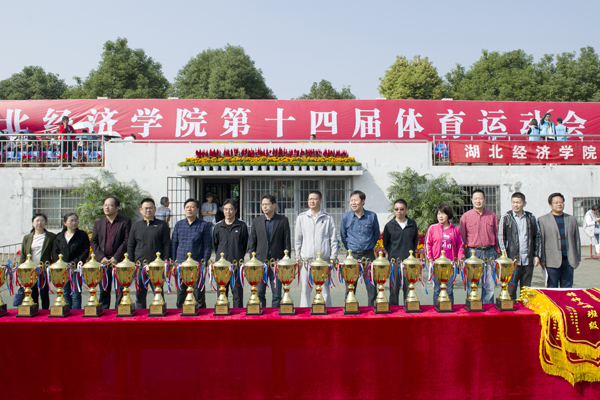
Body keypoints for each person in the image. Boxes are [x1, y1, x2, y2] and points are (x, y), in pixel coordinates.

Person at [295, 190, 338, 307]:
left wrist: (333, 256)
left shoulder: (328, 218)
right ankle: (305, 314)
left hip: (323, 260)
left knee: (325, 291)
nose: (312, 201)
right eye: (310, 199)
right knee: (305, 290)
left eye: (314, 199)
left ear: (320, 201)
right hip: (306, 260)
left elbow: (333, 239)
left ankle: (327, 313)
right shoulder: (302, 218)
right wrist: (298, 257)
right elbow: (298, 240)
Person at [127, 198, 171, 309]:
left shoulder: (162, 225)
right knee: (140, 295)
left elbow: (166, 244)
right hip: (140, 266)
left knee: (158, 294)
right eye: (146, 208)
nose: (148, 210)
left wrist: (166, 262)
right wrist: (131, 263)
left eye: (151, 208)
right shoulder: (136, 226)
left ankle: (160, 314)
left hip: (156, 267)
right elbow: (131, 245)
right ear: (141, 210)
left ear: (155, 209)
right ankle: (140, 316)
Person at [248, 194, 291, 308]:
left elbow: (287, 243)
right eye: (263, 204)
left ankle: (275, 315)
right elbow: (252, 243)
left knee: (277, 294)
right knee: (259, 292)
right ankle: (262, 314)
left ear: (274, 205)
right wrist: (253, 261)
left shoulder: (282, 220)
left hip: (277, 261)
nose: (265, 207)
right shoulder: (256, 221)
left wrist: (287, 262)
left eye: (267, 204)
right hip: (260, 262)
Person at [340, 190, 380, 307]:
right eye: (351, 200)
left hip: (368, 255)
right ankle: (350, 307)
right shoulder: (346, 217)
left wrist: (369, 246)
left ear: (363, 201)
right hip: (352, 256)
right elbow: (343, 236)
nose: (353, 203)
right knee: (350, 285)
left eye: (355, 200)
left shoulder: (372, 216)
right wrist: (350, 249)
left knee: (371, 285)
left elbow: (376, 234)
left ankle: (372, 308)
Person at [459, 189, 500, 304]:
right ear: (472, 200)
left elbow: (496, 234)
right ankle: (472, 306)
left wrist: (498, 251)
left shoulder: (492, 215)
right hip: (473, 253)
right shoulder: (465, 217)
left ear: (485, 200)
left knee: (489, 283)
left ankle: (488, 308)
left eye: (480, 198)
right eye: (475, 198)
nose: (478, 201)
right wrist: (462, 255)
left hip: (489, 252)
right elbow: (462, 238)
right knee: (472, 283)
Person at [498, 192, 541, 300]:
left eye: (518, 202)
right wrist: (505, 257)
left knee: (526, 290)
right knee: (511, 289)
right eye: (513, 202)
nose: (515, 205)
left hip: (527, 259)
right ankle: (511, 309)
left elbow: (537, 236)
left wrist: (536, 255)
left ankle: (525, 308)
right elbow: (501, 238)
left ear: (524, 203)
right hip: (512, 260)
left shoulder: (531, 217)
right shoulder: (506, 217)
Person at [91, 197, 132, 309]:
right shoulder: (99, 223)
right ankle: (104, 311)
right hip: (103, 262)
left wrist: (116, 257)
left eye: (110, 205)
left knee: (120, 289)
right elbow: (94, 241)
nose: (107, 208)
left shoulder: (125, 222)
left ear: (117, 208)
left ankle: (120, 310)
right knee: (104, 289)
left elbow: (127, 240)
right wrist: (101, 257)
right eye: (105, 205)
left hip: (118, 262)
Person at [171, 198, 212, 309]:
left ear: (197, 210)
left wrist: (204, 265)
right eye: (187, 207)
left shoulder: (204, 225)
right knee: (181, 294)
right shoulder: (179, 225)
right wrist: (173, 263)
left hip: (197, 265)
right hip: (181, 265)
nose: (189, 209)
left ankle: (201, 316)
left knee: (198, 295)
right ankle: (181, 315)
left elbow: (207, 246)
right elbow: (174, 244)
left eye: (192, 207)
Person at [538, 193, 581, 288]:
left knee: (567, 288)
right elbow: (541, 241)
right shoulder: (542, 220)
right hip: (551, 260)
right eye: (556, 202)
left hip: (568, 259)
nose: (559, 204)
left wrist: (577, 257)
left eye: (561, 202)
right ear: (550, 204)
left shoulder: (571, 219)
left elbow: (577, 239)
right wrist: (542, 259)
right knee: (552, 287)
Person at [425, 204, 464, 305]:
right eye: (439, 213)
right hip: (437, 264)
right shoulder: (432, 228)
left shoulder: (455, 229)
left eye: (443, 214)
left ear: (448, 215)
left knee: (449, 290)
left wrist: (460, 258)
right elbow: (427, 244)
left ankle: (449, 310)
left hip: (450, 265)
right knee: (437, 290)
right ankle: (436, 309)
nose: (440, 216)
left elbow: (460, 245)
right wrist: (430, 258)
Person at [382, 199, 419, 306]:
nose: (399, 211)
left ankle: (408, 308)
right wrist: (393, 254)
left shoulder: (412, 224)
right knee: (394, 289)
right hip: (395, 262)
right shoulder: (389, 225)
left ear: (406, 210)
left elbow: (415, 241)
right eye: (397, 209)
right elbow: (386, 243)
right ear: (394, 210)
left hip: (409, 262)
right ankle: (394, 310)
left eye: (402, 209)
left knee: (409, 288)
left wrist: (410, 255)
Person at [213, 199, 249, 308]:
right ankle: (222, 315)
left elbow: (245, 245)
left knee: (237, 295)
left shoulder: (242, 225)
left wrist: (238, 256)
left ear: (235, 210)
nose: (228, 212)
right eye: (225, 209)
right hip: (221, 268)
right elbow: (215, 245)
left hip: (236, 266)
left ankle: (238, 316)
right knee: (222, 294)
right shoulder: (218, 226)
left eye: (230, 209)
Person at [17, 213, 55, 309]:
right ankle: (35, 311)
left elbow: (54, 253)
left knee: (44, 293)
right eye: (37, 221)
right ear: (33, 223)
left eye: (42, 220)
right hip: (30, 270)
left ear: (45, 223)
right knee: (32, 293)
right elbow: (23, 255)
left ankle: (45, 311)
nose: (39, 223)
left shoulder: (51, 237)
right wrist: (20, 269)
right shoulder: (27, 238)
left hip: (43, 269)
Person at [52, 213, 90, 309]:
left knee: (76, 294)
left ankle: (76, 314)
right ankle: (67, 312)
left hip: (75, 269)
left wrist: (74, 263)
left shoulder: (82, 235)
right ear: (65, 223)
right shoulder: (59, 236)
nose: (74, 223)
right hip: (63, 270)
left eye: (76, 220)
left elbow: (85, 251)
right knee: (65, 293)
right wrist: (60, 264)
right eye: (71, 221)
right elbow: (55, 252)